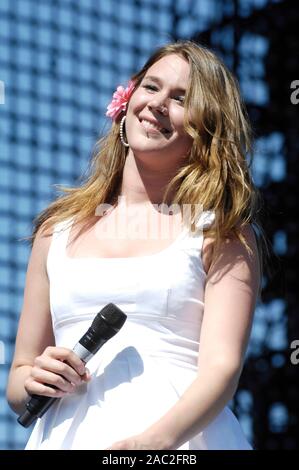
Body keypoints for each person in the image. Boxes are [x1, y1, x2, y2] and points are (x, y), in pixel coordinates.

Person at [6, 40, 262, 450]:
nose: (158, 103)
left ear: (207, 129)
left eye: (180, 98)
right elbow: (19, 378)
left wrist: (154, 442)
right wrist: (35, 377)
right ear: (126, 100)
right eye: (151, 87)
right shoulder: (56, 231)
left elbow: (222, 366)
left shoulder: (222, 231)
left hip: (179, 443)